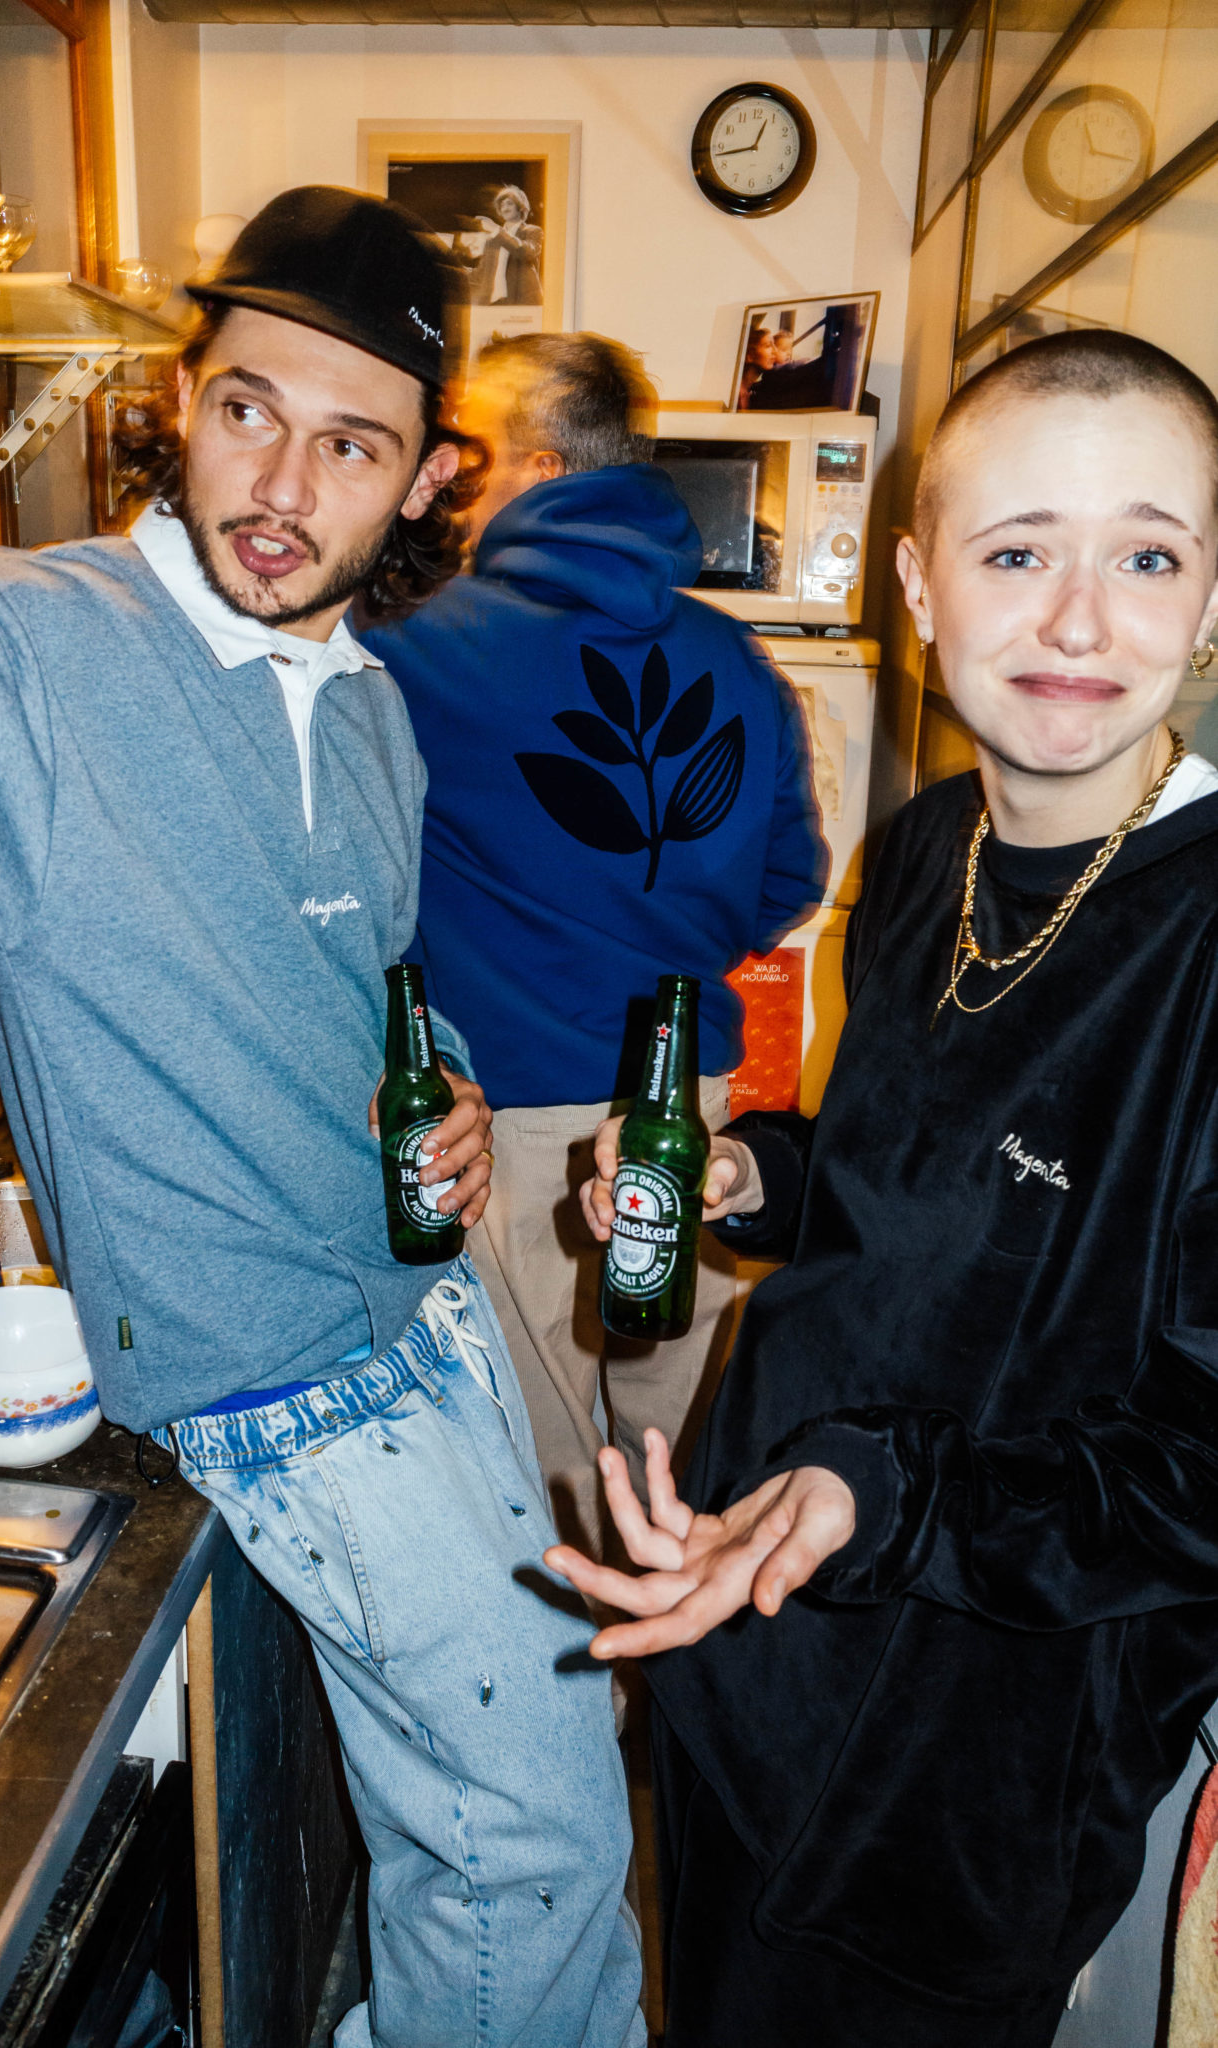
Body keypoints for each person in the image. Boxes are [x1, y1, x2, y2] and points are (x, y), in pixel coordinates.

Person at [0, 187, 644, 2048]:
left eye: (351, 443)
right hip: (284, 1389)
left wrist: (449, 1088)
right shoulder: (10, 657)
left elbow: (369, 975)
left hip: (432, 1319)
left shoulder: (368, 705)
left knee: (528, 1815)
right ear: (182, 398)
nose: (283, 486)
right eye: (247, 411)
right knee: (534, 1843)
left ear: (425, 478)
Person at [549, 328, 1218, 2047]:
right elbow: (887, 1176)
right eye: (1018, 553)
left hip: (967, 1765)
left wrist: (885, 1493)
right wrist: (742, 1176)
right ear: (918, 584)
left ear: (1213, 593)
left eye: (1147, 557)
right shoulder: (924, 850)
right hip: (747, 1619)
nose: (1081, 623)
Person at [361, 331, 824, 1555]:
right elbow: (790, 881)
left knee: (549, 1481)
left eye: (472, 452)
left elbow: (342, 879)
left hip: (510, 1136)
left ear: (543, 467)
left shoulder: (410, 647)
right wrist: (657, 927)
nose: (448, 477)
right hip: (693, 1124)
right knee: (684, 1466)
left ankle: (579, 1685)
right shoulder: (741, 660)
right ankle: (677, 1670)